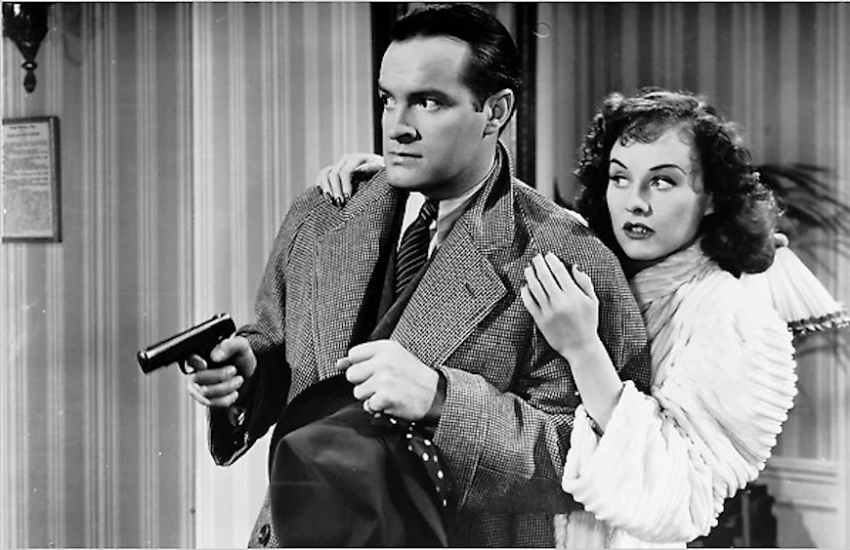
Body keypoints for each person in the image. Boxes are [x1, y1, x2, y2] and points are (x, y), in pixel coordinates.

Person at [186, 4, 651, 548]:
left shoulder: (566, 255)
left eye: (429, 102)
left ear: (496, 111)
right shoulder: (323, 214)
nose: (397, 126)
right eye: (389, 99)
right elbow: (281, 350)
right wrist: (248, 375)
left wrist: (442, 399)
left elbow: (598, 461)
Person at [319, 88, 846, 547]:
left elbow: (677, 495)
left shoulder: (734, 318)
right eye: (620, 178)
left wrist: (583, 348)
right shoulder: (601, 266)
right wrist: (399, 178)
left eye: (663, 182)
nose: (635, 203)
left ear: (710, 197)